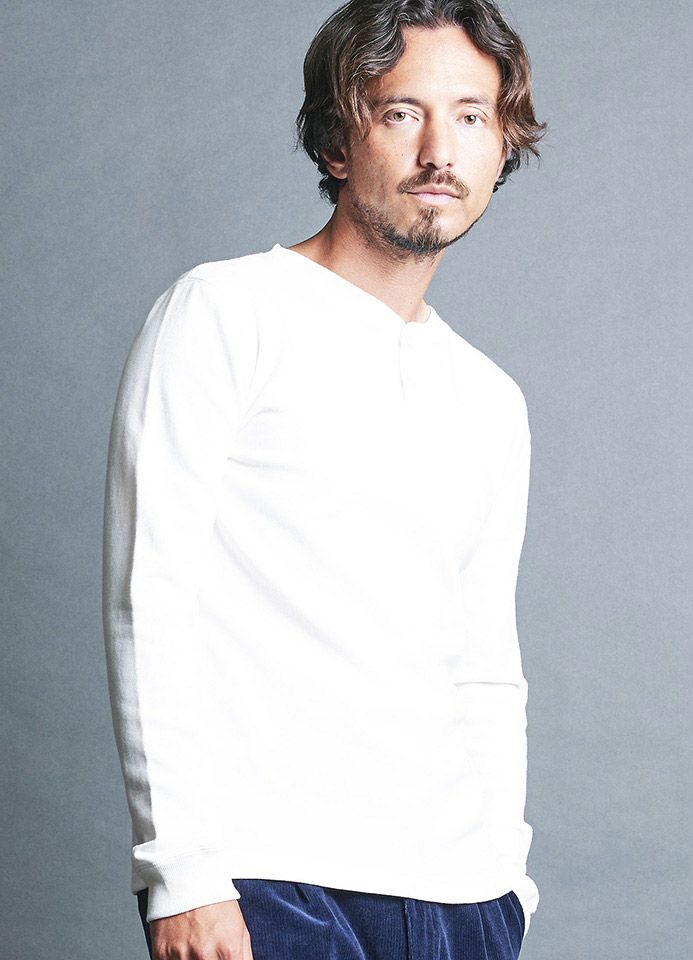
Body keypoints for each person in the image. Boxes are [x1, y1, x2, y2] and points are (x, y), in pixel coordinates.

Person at [102, 1, 548, 957]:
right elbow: (151, 597)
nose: (440, 151)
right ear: (338, 141)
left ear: (501, 145)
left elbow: (485, 664)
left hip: (463, 900)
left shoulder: (490, 398)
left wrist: (508, 883)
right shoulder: (224, 313)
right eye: (401, 112)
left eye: (471, 115)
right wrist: (181, 871)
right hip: (270, 881)